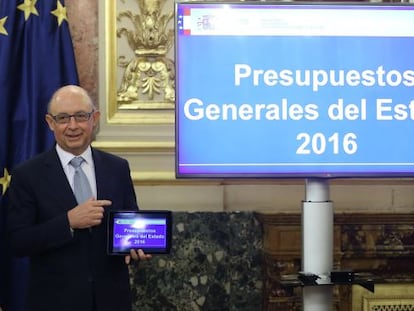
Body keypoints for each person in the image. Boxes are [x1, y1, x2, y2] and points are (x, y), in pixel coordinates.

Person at [6, 85, 151, 311]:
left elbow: (128, 222)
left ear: (95, 119)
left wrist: (134, 247)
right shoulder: (27, 175)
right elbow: (17, 241)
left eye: (81, 117)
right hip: (54, 302)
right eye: (63, 118)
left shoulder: (117, 167)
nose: (72, 126)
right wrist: (68, 222)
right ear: (50, 122)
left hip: (112, 300)